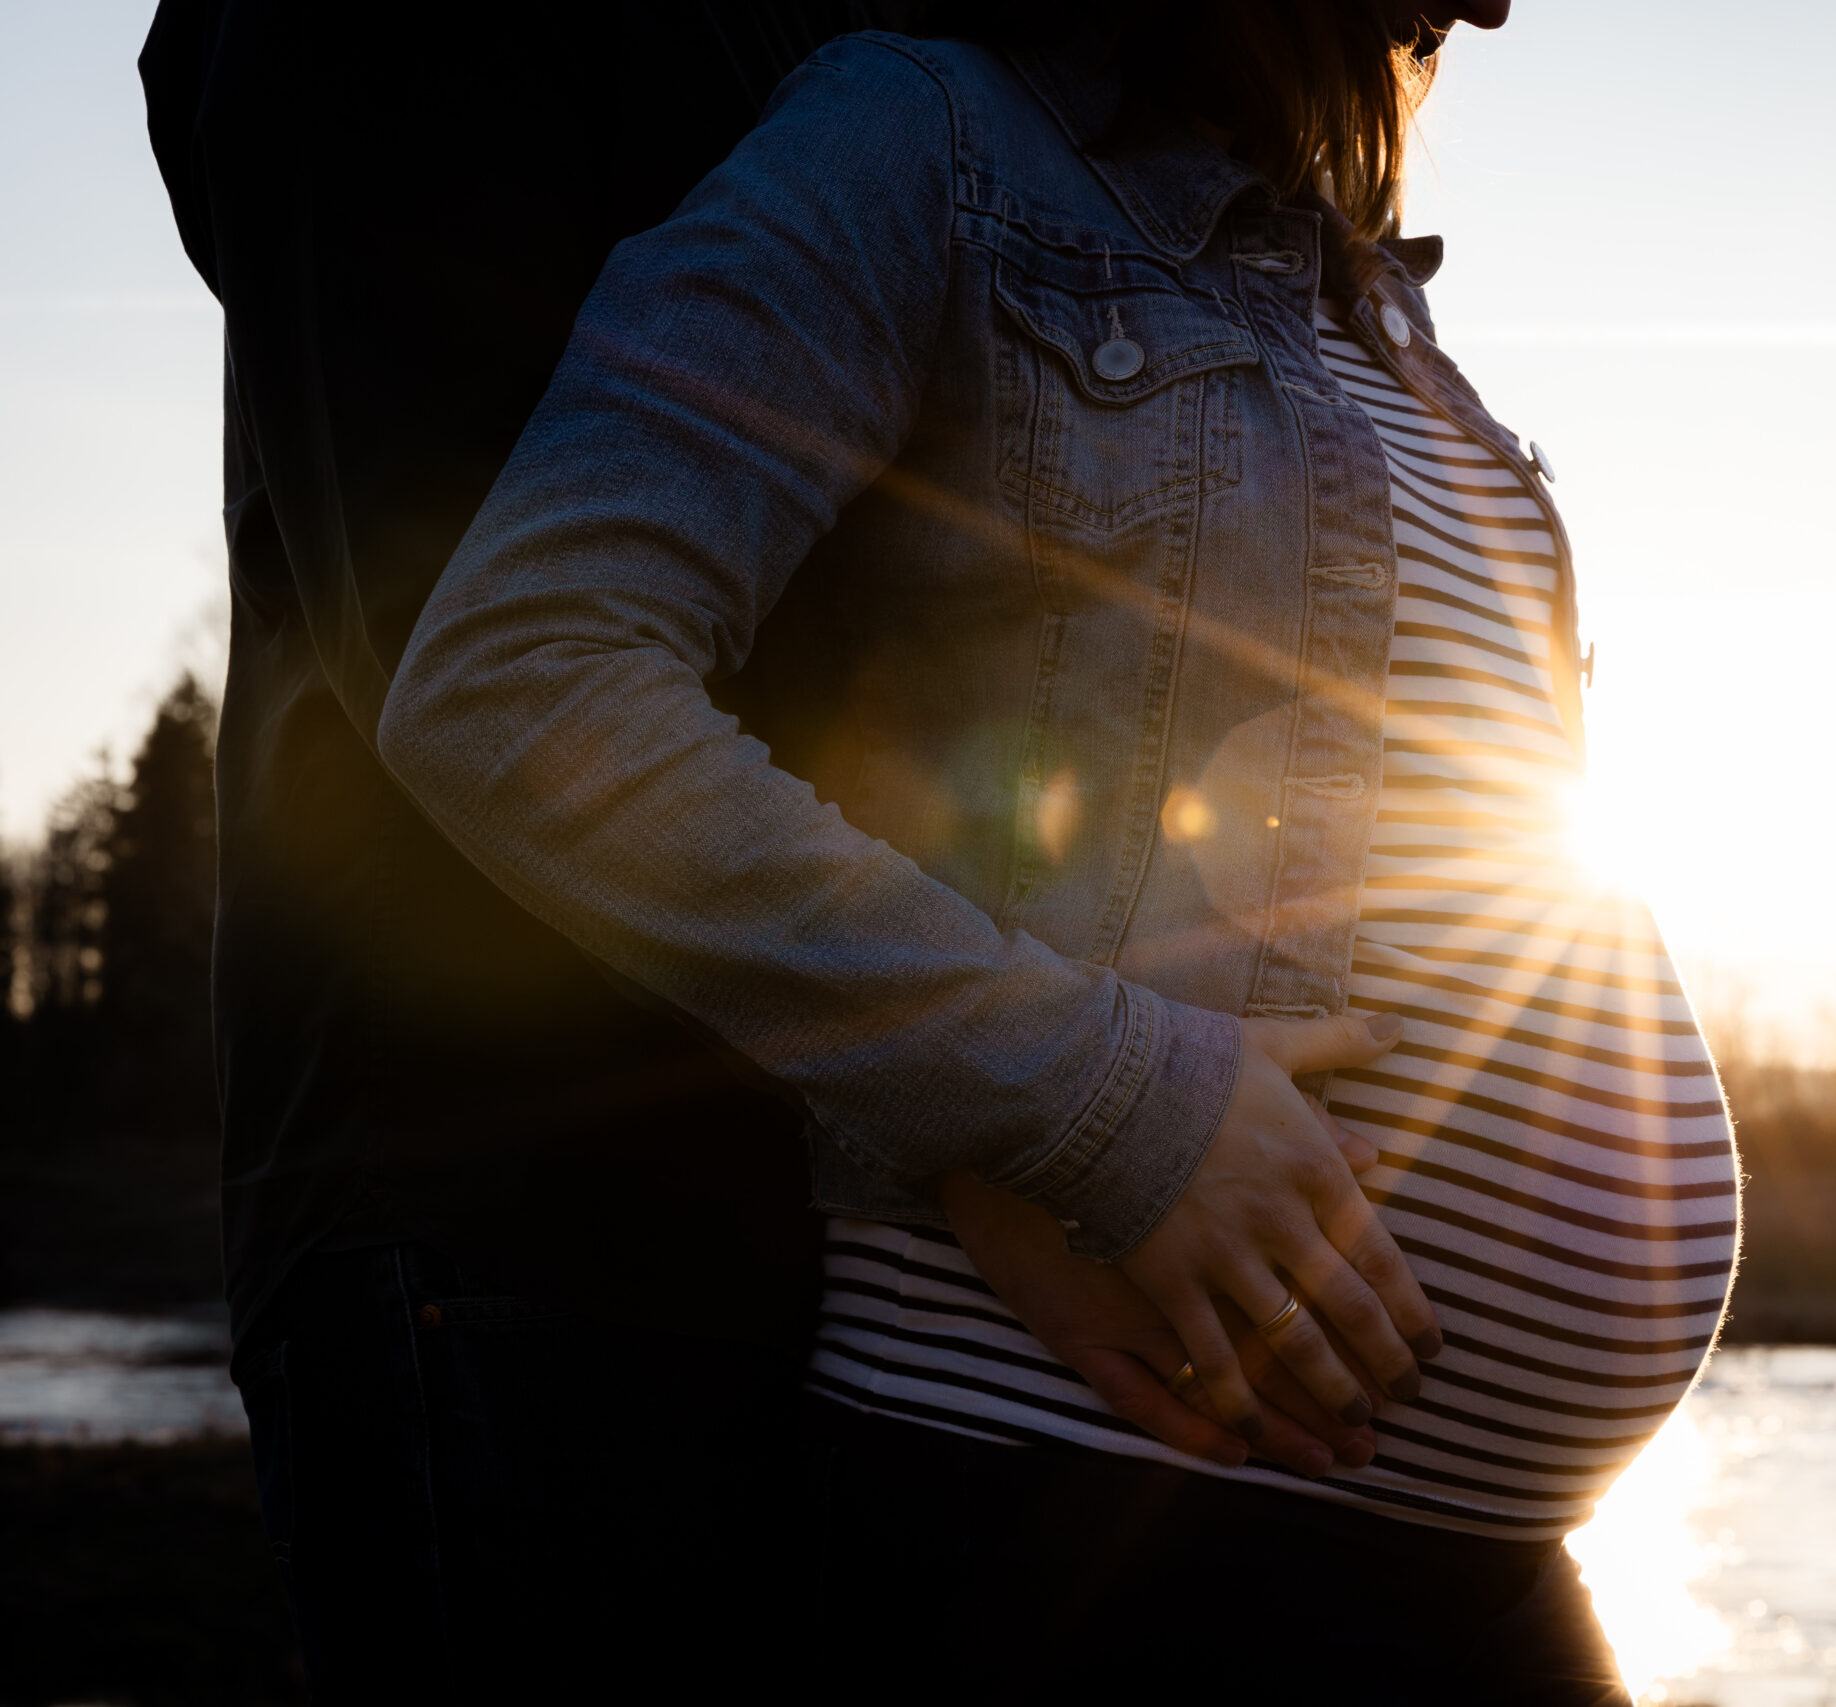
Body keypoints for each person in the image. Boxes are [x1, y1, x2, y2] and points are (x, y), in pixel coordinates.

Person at [381, 2, 1738, 1702]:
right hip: (1084, 1499)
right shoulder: (922, 141)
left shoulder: (1367, 297)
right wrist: (1102, 1107)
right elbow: (523, 680)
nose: (1488, 9)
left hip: (1467, 1549)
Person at [141, 3, 1385, 1699]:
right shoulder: (391, 46)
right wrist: (1033, 1118)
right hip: (509, 1215)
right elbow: (481, 651)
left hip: (753, 1197)